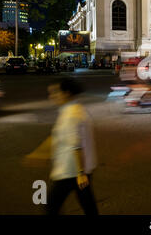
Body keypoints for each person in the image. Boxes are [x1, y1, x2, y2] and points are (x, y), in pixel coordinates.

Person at [46, 77, 98, 215]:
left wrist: (80, 174)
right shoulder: (76, 109)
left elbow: (76, 145)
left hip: (71, 171)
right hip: (78, 169)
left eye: (56, 92)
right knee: (88, 206)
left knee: (51, 206)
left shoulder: (70, 114)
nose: (52, 96)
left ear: (67, 93)